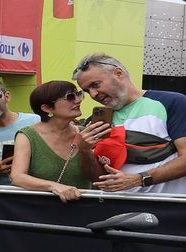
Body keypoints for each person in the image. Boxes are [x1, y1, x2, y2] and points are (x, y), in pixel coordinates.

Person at [74, 53, 186, 194]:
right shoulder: (97, 121)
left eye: (95, 85)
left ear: (118, 73)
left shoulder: (172, 102)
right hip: (118, 210)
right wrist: (84, 151)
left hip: (166, 209)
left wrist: (140, 179)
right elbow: (99, 180)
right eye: (87, 91)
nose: (93, 94)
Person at [11, 81, 107, 202]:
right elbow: (17, 177)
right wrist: (54, 186)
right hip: (40, 211)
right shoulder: (27, 135)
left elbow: (100, 179)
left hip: (84, 210)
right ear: (47, 108)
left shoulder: (85, 134)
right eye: (70, 97)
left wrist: (86, 150)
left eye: (78, 94)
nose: (78, 100)